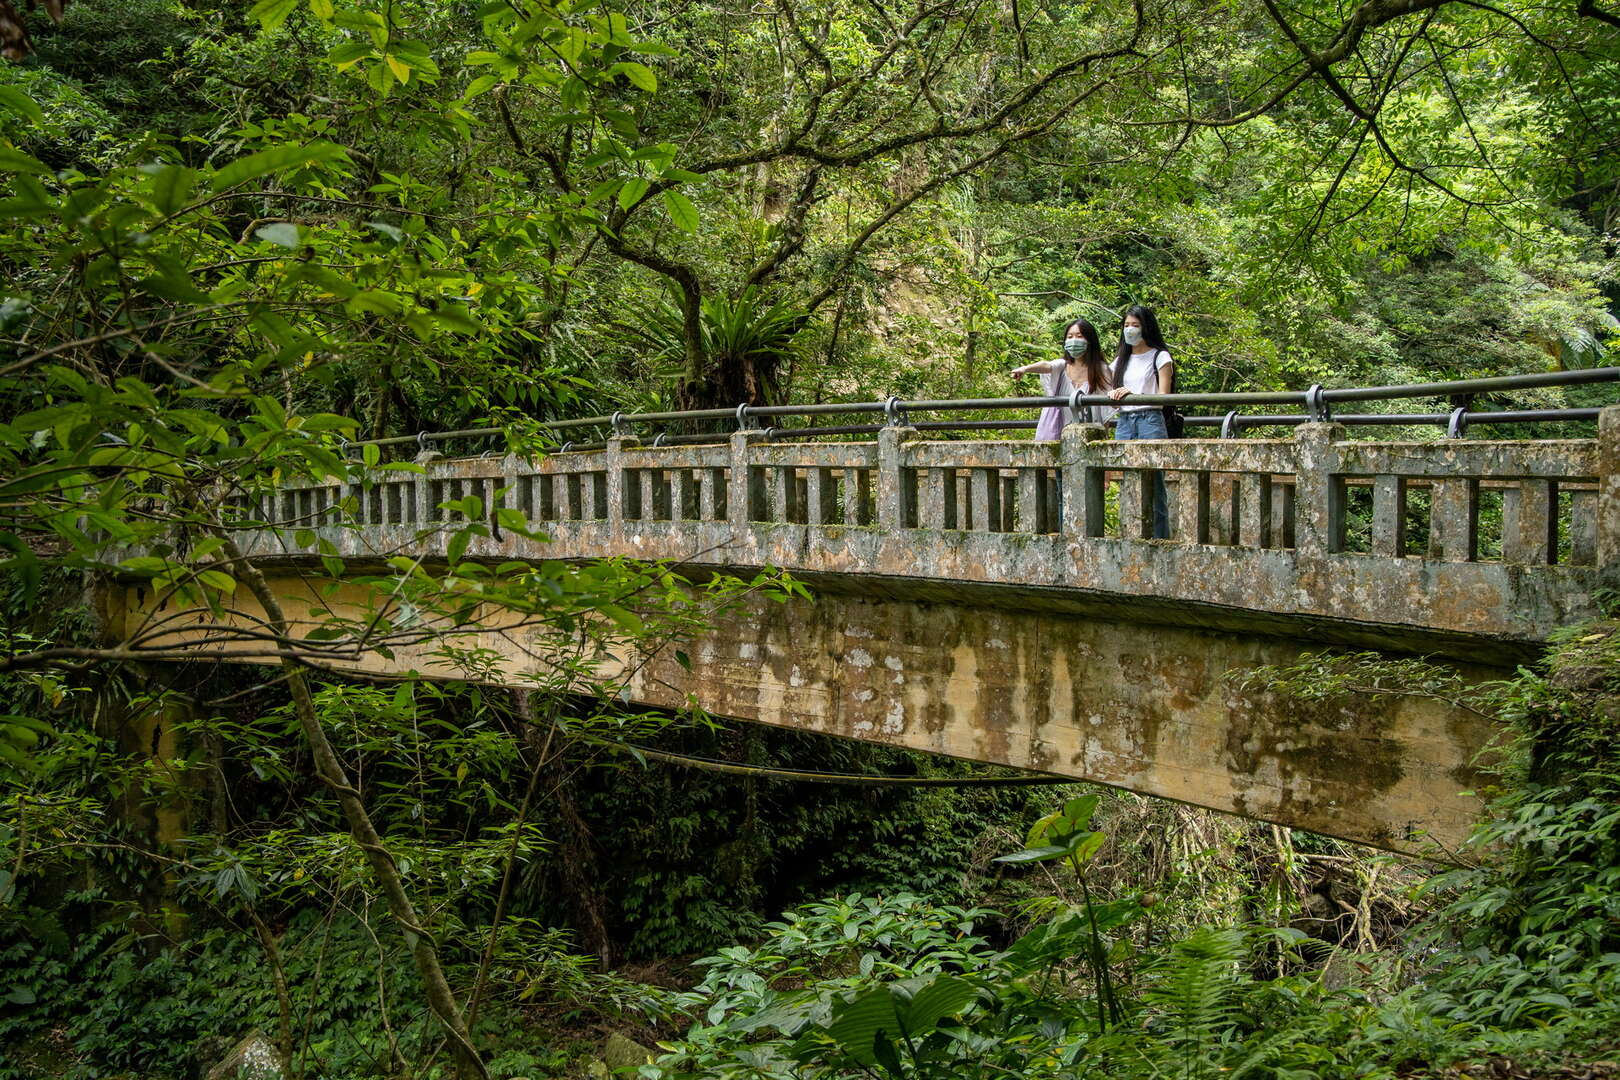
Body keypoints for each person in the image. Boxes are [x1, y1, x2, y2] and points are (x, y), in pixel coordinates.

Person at [1106, 305, 1173, 539]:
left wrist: (1129, 392)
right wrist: (1115, 396)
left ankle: (1159, 538)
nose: (1130, 330)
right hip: (1124, 421)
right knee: (1127, 479)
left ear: (1147, 327)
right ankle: (1131, 536)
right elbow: (1109, 394)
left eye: (1135, 325)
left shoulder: (1160, 356)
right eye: (1126, 325)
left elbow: (1164, 398)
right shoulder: (1119, 361)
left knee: (1154, 482)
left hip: (1150, 419)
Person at [1010, 319, 1113, 440]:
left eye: (1079, 336)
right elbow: (1047, 365)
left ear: (1090, 341)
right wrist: (1025, 369)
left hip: (1090, 434)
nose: (1074, 340)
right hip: (1059, 432)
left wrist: (1104, 438)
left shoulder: (1100, 370)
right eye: (1070, 336)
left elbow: (1106, 409)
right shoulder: (1062, 366)